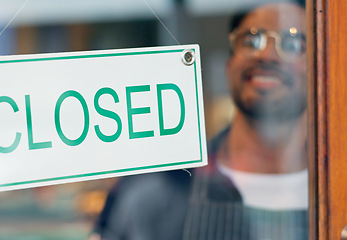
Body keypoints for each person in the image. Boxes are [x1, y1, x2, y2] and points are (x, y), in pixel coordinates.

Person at [91, 1, 308, 239]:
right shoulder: (155, 189)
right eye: (251, 40)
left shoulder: (346, 192)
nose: (267, 54)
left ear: (322, 70)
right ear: (228, 68)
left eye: (293, 43)